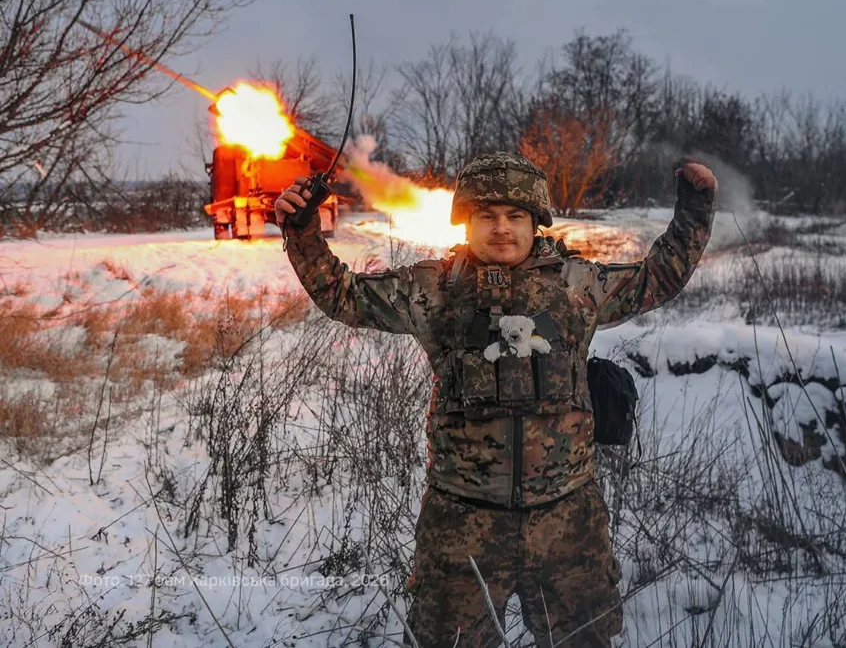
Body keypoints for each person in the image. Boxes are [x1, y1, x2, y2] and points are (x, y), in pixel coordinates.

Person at [275, 152, 716, 648]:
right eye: (486, 215)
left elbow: (657, 278)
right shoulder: (433, 289)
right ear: (466, 222)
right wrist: (303, 229)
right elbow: (344, 295)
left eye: (515, 215)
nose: (501, 228)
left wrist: (694, 208)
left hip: (568, 523)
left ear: (535, 221)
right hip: (462, 527)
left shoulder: (577, 286)